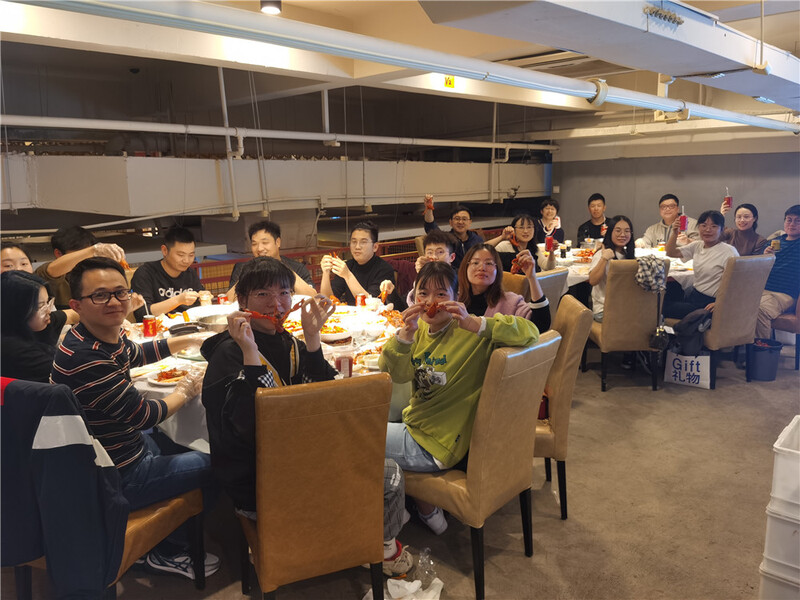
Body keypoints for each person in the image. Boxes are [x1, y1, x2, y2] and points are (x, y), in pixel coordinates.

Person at [201, 257, 413, 577]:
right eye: (263, 294)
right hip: (258, 481)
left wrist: (313, 340)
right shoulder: (229, 354)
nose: (276, 304)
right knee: (391, 475)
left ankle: (348, 530)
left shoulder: (287, 342)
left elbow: (326, 396)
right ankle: (379, 548)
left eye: (284, 293)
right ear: (242, 301)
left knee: (366, 455)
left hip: (292, 457)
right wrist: (250, 354)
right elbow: (256, 426)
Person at [50, 257, 219, 579]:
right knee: (219, 461)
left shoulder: (95, 336)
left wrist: (187, 340)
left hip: (118, 450)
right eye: (100, 295)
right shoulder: (87, 357)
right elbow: (144, 415)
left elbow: (137, 353)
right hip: (118, 474)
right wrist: (185, 390)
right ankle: (164, 550)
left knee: (188, 441)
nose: (114, 302)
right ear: (76, 305)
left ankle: (169, 530)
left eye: (120, 292)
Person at [380, 261, 539, 534]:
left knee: (354, 438)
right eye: (423, 293)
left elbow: (531, 333)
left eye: (441, 294)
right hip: (417, 427)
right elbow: (397, 374)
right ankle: (427, 509)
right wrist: (404, 336)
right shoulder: (420, 331)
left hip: (435, 442)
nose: (431, 301)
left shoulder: (471, 333)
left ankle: (395, 516)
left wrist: (476, 324)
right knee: (368, 429)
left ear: (457, 298)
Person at [663, 210, 739, 319]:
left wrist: (721, 302)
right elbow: (671, 252)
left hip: (708, 303)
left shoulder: (729, 252)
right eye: (703, 225)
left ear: (722, 229)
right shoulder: (697, 245)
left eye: (714, 226)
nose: (708, 230)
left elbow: (737, 283)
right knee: (667, 292)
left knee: (662, 307)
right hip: (694, 295)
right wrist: (675, 232)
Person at [459, 243, 551, 333]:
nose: (481, 268)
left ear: (497, 270)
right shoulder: (455, 298)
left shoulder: (510, 302)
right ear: (465, 267)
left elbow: (540, 325)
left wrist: (532, 277)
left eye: (489, 263)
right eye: (475, 262)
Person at [1, 271, 72, 382]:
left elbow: (72, 315)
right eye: (41, 306)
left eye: (48, 302)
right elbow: (69, 374)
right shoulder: (15, 351)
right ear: (17, 310)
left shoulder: (38, 320)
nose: (48, 310)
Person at [35, 226, 126, 309]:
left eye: (89, 254)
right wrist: (93, 250)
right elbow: (51, 271)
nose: (86, 258)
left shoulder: (98, 273)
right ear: (58, 253)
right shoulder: (51, 274)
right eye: (80, 254)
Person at [226, 220, 316, 300]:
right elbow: (229, 299)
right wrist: (248, 272)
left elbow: (313, 297)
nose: (259, 248)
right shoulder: (241, 269)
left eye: (265, 242)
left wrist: (284, 269)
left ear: (278, 242)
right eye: (254, 244)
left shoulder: (297, 268)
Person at [320, 221, 402, 307]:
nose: (357, 247)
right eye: (354, 242)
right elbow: (327, 301)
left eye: (363, 242)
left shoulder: (384, 269)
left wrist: (348, 275)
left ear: (375, 247)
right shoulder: (348, 266)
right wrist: (325, 273)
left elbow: (371, 305)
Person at [131, 226, 204, 321]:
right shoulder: (146, 273)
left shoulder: (190, 274)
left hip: (187, 325)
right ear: (165, 251)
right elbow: (142, 313)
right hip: (157, 327)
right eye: (180, 255)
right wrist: (178, 300)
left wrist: (204, 298)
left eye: (191, 255)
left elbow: (199, 306)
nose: (186, 260)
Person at [755, 205, 800, 339]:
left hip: (784, 294)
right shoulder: (772, 243)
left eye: (798, 221)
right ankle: (735, 347)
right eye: (789, 220)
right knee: (735, 304)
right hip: (762, 289)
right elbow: (758, 269)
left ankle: (762, 349)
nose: (792, 224)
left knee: (759, 309)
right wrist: (765, 257)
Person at [587, 215, 636, 322]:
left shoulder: (627, 255)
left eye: (627, 231)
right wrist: (604, 258)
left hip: (624, 306)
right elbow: (593, 280)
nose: (622, 234)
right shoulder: (601, 254)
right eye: (618, 230)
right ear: (610, 232)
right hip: (604, 309)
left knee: (652, 316)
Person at [422, 197, 483, 268]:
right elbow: (430, 226)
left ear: (470, 222)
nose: (460, 222)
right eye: (457, 219)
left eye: (464, 219)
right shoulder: (446, 239)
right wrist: (429, 208)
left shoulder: (477, 239)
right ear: (450, 222)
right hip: (451, 273)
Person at [490, 213, 557, 273]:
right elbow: (485, 249)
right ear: (514, 230)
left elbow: (548, 267)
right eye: (521, 227)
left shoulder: (534, 248)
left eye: (529, 227)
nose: (525, 231)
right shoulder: (505, 246)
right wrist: (501, 237)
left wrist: (551, 252)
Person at [407, 229, 457, 306]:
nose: (434, 257)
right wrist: (422, 276)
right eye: (430, 252)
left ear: (452, 257)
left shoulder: (458, 278)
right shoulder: (420, 274)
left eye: (440, 252)